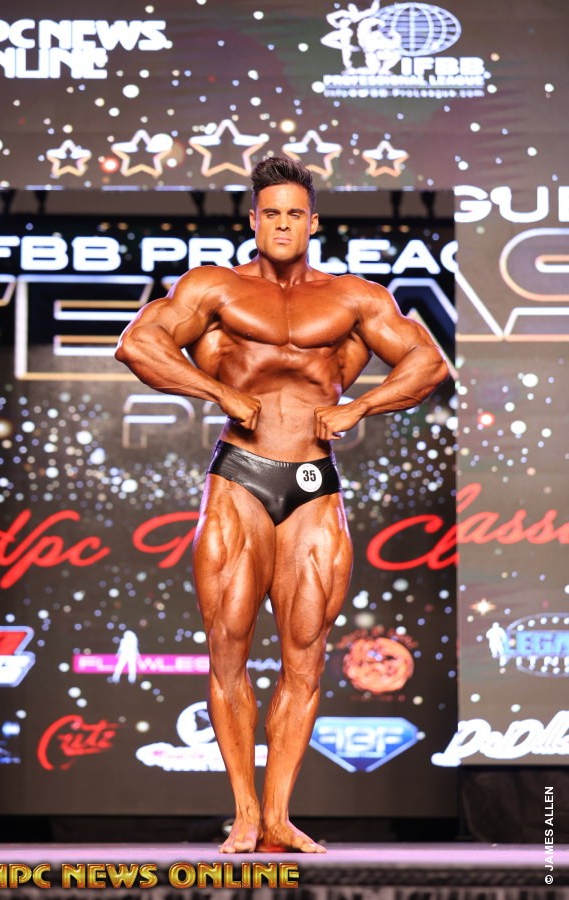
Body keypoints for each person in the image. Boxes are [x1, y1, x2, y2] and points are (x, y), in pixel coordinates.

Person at [115, 156, 449, 852]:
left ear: (313, 222)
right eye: (271, 213)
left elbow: (427, 363)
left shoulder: (354, 298)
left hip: (313, 486)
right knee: (228, 649)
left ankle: (277, 819)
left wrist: (362, 405)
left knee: (306, 657)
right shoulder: (215, 287)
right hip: (239, 477)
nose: (283, 225)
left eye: (295, 213)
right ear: (254, 220)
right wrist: (218, 392)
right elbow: (138, 344)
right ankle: (243, 814)